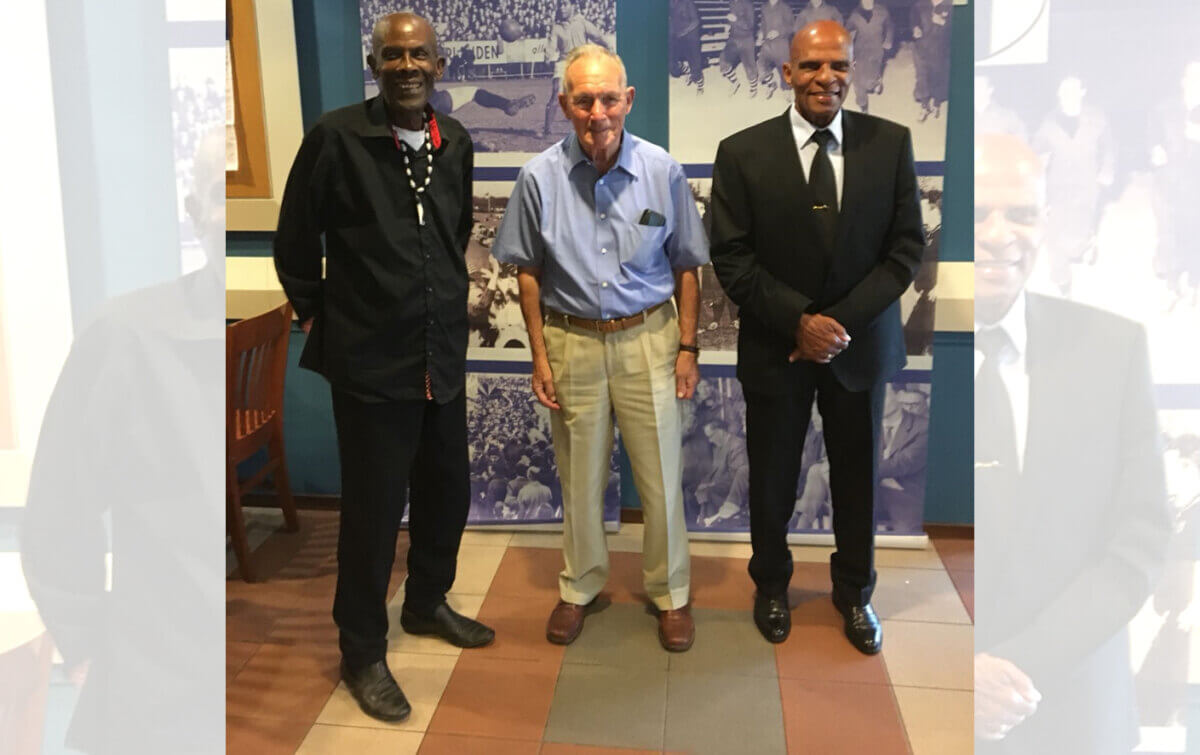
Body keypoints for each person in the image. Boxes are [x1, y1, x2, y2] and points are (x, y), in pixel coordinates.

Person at [273, 12, 495, 724]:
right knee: (370, 516)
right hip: (371, 365)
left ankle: (427, 601)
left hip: (440, 357)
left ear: (440, 63)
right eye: (392, 54)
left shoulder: (453, 140)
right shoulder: (337, 137)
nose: (407, 65)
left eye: (419, 54)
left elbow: (454, 232)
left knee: (446, 492)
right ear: (375, 64)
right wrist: (319, 315)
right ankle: (362, 649)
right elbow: (295, 241)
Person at [708, 21, 924, 654]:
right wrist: (799, 320)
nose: (824, 78)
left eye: (837, 66)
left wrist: (837, 326)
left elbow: (906, 248)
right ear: (786, 72)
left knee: (857, 477)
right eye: (810, 66)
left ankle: (855, 594)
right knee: (772, 476)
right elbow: (732, 255)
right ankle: (771, 586)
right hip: (778, 348)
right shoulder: (742, 152)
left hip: (859, 349)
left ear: (851, 69)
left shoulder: (890, 144)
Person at [493, 44, 709, 652]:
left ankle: (670, 593)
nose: (597, 111)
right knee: (579, 476)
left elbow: (688, 265)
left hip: (649, 340)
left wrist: (687, 348)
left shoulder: (662, 171)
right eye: (583, 100)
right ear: (564, 104)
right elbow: (527, 271)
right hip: (572, 342)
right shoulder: (537, 178)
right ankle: (581, 584)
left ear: (628, 100)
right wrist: (539, 355)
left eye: (609, 98)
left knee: (662, 475)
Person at [973, 133, 1171, 752]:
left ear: (1047, 222)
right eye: (979, 213)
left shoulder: (1114, 349)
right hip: (922, 698)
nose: (1001, 233)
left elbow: (1139, 539)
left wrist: (1010, 670)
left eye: (1023, 214)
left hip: (1075, 713)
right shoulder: (891, 354)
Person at [1032, 75, 1115, 295]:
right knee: (1054, 232)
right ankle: (1062, 281)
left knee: (1076, 237)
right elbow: (1037, 147)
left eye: (1072, 90)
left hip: (1088, 182)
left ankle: (1086, 243)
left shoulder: (1097, 118)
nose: (1067, 95)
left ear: (1082, 92)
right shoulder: (1049, 121)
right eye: (1063, 91)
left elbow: (1109, 147)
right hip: (1058, 184)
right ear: (1059, 94)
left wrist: (1107, 170)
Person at [542, 2, 610, 138]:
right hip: (563, 62)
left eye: (565, 4)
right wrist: (548, 57)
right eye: (560, 5)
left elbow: (597, 36)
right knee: (556, 92)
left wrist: (608, 46)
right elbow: (551, 44)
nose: (562, 8)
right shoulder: (556, 27)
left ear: (573, 6)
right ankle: (547, 130)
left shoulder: (582, 23)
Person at [845, 0, 892, 113]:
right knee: (858, 81)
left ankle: (876, 81)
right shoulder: (855, 14)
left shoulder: (882, 12)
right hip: (860, 51)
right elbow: (846, 30)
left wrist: (888, 40)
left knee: (870, 82)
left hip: (876, 50)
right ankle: (863, 108)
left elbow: (890, 26)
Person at [910, 0, 951, 122]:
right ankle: (924, 106)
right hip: (921, 47)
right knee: (922, 77)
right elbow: (913, 17)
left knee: (938, 76)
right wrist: (915, 28)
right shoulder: (920, 4)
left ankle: (936, 105)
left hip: (940, 50)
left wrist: (943, 22)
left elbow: (959, 28)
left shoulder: (950, 6)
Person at [757, 0, 795, 100]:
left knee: (784, 69)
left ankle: (787, 90)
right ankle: (771, 84)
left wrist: (778, 32)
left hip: (781, 43)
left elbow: (792, 27)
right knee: (761, 66)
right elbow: (763, 23)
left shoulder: (785, 7)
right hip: (767, 43)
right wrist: (761, 34)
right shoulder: (764, 6)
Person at [719, 0, 758, 97]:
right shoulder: (732, 3)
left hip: (746, 39)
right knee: (723, 61)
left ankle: (753, 88)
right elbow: (732, 20)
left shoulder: (748, 4)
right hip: (733, 38)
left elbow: (750, 25)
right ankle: (734, 82)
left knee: (749, 68)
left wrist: (735, 20)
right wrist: (729, 25)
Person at [670, 0, 706, 94]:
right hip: (677, 36)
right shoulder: (670, 3)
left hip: (691, 36)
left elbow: (696, 21)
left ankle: (700, 84)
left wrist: (684, 32)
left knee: (695, 65)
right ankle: (688, 70)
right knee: (672, 66)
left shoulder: (688, 2)